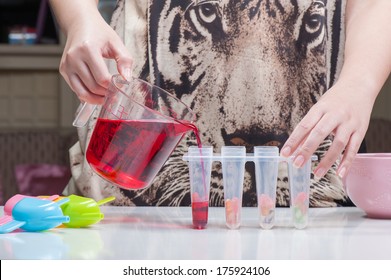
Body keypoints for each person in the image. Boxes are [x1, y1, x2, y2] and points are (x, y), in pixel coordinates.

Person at [49, 0, 391, 207]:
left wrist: (360, 82)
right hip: (129, 187)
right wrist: (81, 18)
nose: (257, 122)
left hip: (308, 198)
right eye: (205, 14)